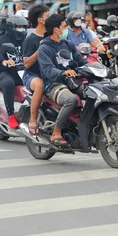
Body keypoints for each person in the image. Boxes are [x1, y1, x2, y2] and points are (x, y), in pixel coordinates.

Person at [38, 14, 87, 147]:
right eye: (65, 26)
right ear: (56, 30)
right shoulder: (44, 48)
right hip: (53, 84)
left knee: (94, 93)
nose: (67, 29)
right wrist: (63, 72)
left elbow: (81, 62)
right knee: (71, 100)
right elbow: (48, 70)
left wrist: (94, 67)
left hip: (72, 81)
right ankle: (56, 132)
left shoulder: (68, 44)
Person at [0, 15, 28, 129]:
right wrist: (5, 61)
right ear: (11, 27)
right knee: (8, 83)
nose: (22, 29)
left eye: (23, 27)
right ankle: (11, 115)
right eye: (19, 27)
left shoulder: (26, 40)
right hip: (6, 72)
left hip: (23, 71)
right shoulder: (3, 40)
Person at [22, 4, 50, 135]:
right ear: (40, 20)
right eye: (47, 16)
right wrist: (41, 49)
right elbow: (26, 64)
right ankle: (33, 119)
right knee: (39, 84)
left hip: (50, 74)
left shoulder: (52, 36)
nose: (50, 18)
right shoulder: (30, 39)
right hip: (32, 75)